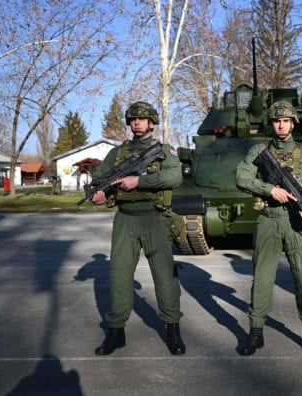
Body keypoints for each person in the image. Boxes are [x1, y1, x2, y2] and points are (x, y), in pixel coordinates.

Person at [91, 101, 185, 356]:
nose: (137, 122)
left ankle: (173, 329)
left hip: (154, 217)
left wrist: (139, 181)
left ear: (152, 122)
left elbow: (175, 177)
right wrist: (99, 194)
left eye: (142, 119)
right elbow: (99, 180)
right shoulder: (118, 154)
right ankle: (115, 331)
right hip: (125, 219)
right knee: (119, 276)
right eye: (133, 119)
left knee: (164, 277)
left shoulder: (164, 150)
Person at [235, 100, 302, 356]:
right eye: (277, 120)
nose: (281, 124)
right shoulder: (259, 151)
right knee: (262, 280)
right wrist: (269, 189)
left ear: (293, 123)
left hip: (296, 223)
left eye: (286, 120)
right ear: (272, 124)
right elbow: (241, 176)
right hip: (269, 220)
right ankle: (255, 332)